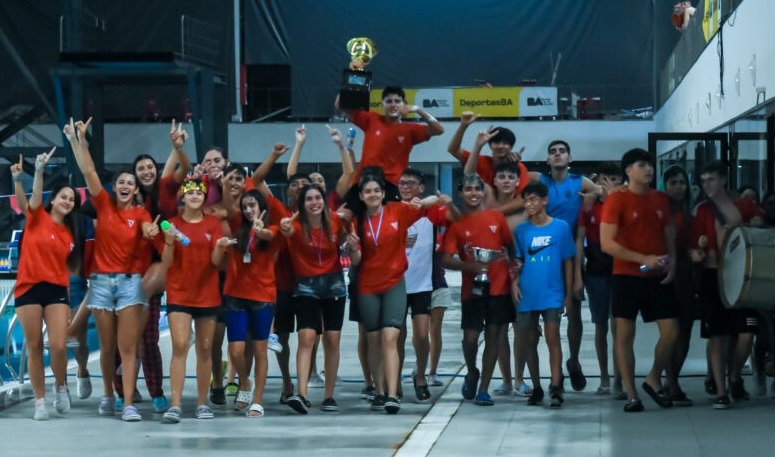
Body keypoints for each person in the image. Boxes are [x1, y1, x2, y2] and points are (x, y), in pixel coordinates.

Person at [64, 117, 158, 421]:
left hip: (130, 285)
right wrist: (80, 141)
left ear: (135, 189)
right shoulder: (103, 205)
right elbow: (89, 171)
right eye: (121, 183)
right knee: (106, 348)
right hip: (102, 284)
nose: (126, 186)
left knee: (127, 348)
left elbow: (150, 229)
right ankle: (108, 394)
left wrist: (152, 232)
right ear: (114, 187)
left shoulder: (141, 214)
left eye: (131, 183)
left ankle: (128, 403)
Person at [355, 172, 445, 414]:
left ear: (384, 193)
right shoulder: (358, 220)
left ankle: (393, 394)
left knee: (390, 337)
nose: (373, 194)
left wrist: (425, 201)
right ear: (361, 196)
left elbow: (428, 204)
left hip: (396, 282)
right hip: (368, 286)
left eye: (377, 190)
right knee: (374, 339)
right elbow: (355, 257)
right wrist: (351, 249)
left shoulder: (397, 211)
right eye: (368, 191)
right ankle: (380, 391)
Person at [600, 148, 679, 413]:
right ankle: (631, 394)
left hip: (657, 276)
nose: (648, 169)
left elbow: (669, 233)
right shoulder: (617, 200)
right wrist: (643, 258)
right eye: (642, 165)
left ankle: (653, 377)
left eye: (649, 165)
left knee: (671, 331)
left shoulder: (660, 199)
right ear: (628, 171)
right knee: (624, 335)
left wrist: (672, 262)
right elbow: (607, 243)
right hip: (626, 276)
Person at [11, 148, 82, 420]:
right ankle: (40, 401)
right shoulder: (37, 216)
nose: (68, 202)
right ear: (53, 200)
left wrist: (71, 302)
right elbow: (32, 198)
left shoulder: (70, 233)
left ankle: (61, 386)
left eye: (72, 199)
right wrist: (37, 172)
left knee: (59, 345)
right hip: (28, 288)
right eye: (64, 197)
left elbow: (68, 269)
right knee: (34, 347)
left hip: (56, 291)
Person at [280, 184, 361, 413]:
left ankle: (329, 395)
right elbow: (285, 231)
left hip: (333, 284)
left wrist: (351, 246)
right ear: (302, 204)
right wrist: (286, 224)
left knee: (332, 339)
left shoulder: (335, 221)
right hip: (305, 285)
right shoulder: (294, 225)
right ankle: (302, 393)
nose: (314, 202)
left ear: (324, 201)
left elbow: (351, 252)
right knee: (306, 337)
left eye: (318, 198)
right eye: (309, 199)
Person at [529, 139, 601, 392]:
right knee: (549, 316)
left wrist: (593, 196)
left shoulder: (580, 182)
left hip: (570, 258)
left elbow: (603, 191)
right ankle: (555, 372)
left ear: (570, 158)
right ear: (548, 159)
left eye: (562, 152)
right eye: (553, 152)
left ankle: (574, 360)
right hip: (542, 257)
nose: (557, 155)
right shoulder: (538, 179)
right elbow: (509, 176)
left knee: (574, 313)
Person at [689, 161, 763, 409]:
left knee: (746, 333)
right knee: (717, 334)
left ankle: (734, 375)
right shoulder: (702, 211)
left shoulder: (744, 205)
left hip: (743, 277)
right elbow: (692, 247)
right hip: (713, 276)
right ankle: (721, 389)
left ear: (722, 179)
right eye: (703, 180)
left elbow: (763, 230)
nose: (707, 185)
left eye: (711, 179)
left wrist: (752, 226)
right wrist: (697, 253)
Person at [442, 174, 516, 407]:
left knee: (495, 336)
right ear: (461, 194)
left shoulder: (496, 217)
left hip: (499, 287)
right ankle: (472, 370)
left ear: (483, 192)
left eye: (477, 189)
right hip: (472, 289)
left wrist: (515, 272)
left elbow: (510, 246)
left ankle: (484, 389)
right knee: (470, 338)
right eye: (468, 189)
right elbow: (445, 258)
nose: (473, 193)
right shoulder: (457, 225)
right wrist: (469, 266)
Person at [159, 178, 224, 423]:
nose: (195, 196)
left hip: (207, 294)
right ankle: (175, 404)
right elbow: (166, 263)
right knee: (180, 345)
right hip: (179, 292)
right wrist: (168, 241)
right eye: (191, 192)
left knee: (205, 349)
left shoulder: (213, 224)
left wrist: (221, 246)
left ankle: (202, 403)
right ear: (183, 198)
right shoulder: (173, 225)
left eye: (199, 192)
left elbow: (216, 262)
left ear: (205, 198)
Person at [220, 189, 283, 417]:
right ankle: (245, 381)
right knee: (235, 350)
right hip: (235, 295)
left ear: (262, 207)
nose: (248, 210)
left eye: (252, 206)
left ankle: (257, 400)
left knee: (260, 350)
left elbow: (268, 235)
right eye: (245, 206)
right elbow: (227, 204)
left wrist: (260, 230)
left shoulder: (272, 229)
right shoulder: (237, 226)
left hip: (262, 297)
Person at [513, 182, 575, 408]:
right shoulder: (521, 231)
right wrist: (514, 283)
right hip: (528, 293)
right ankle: (537, 387)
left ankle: (556, 386)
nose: (529, 204)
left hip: (552, 292)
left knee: (552, 337)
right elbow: (517, 261)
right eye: (526, 200)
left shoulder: (561, 227)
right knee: (529, 340)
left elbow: (568, 261)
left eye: (533, 199)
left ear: (545, 200)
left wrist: (568, 294)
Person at [396, 168, 455, 403]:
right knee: (396, 336)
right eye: (402, 183)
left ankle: (421, 376)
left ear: (421, 187)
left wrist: (447, 203)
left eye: (411, 183)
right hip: (396, 283)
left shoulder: (431, 211)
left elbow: (454, 218)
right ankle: (394, 380)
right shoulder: (393, 209)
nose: (405, 186)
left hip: (422, 284)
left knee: (421, 335)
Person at [336, 85, 444, 203]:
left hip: (391, 185)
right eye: (389, 101)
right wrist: (349, 83)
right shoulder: (372, 119)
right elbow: (340, 105)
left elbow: (439, 130)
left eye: (397, 101)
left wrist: (418, 109)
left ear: (404, 104)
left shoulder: (410, 130)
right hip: (363, 181)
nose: (393, 105)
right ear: (382, 105)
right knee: (345, 212)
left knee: (390, 214)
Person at [576, 163, 623, 397]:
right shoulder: (589, 207)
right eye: (605, 179)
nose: (609, 184)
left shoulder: (624, 205)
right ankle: (604, 377)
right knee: (601, 326)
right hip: (596, 271)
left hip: (621, 270)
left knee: (620, 326)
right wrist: (578, 274)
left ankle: (619, 378)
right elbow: (580, 241)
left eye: (614, 179)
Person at [662, 165, 695, 406]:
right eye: (673, 182)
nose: (678, 187)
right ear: (665, 186)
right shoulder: (659, 213)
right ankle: (672, 383)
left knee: (684, 333)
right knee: (670, 333)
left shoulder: (690, 214)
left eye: (682, 182)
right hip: (665, 279)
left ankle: (672, 379)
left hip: (687, 279)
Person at [450, 116, 530, 214]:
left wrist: (491, 215)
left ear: (511, 146)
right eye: (496, 142)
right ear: (490, 145)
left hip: (507, 215)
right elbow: (453, 150)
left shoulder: (519, 167)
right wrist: (464, 126)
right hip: (482, 210)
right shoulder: (480, 161)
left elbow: (522, 200)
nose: (501, 146)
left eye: (505, 143)